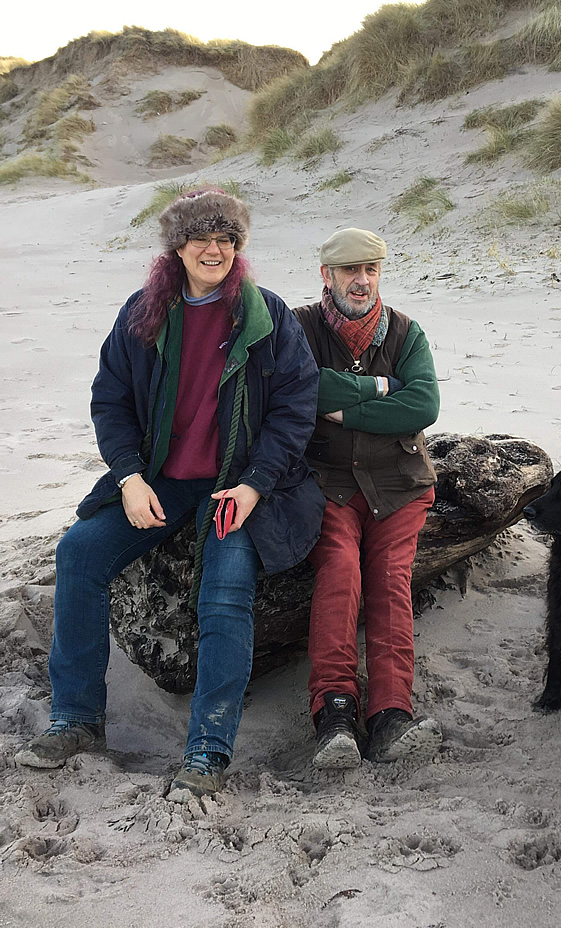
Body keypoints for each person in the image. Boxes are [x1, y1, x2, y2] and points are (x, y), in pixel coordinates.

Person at [15, 188, 325, 800]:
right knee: (79, 552)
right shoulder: (144, 313)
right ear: (176, 246)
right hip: (160, 479)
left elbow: (296, 408)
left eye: (227, 239)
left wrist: (255, 487)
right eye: (201, 238)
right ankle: (76, 719)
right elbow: (110, 402)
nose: (215, 249)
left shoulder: (267, 317)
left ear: (238, 247)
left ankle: (209, 750)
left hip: (238, 485)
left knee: (226, 588)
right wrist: (129, 478)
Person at [293, 228, 442, 769]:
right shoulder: (299, 326)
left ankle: (390, 715)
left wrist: (343, 410)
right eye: (350, 271)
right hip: (327, 480)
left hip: (399, 482)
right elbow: (302, 386)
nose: (361, 281)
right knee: (339, 571)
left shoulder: (406, 332)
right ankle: (334, 711)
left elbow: (423, 404)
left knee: (390, 581)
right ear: (327, 276)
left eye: (371, 270)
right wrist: (380, 388)